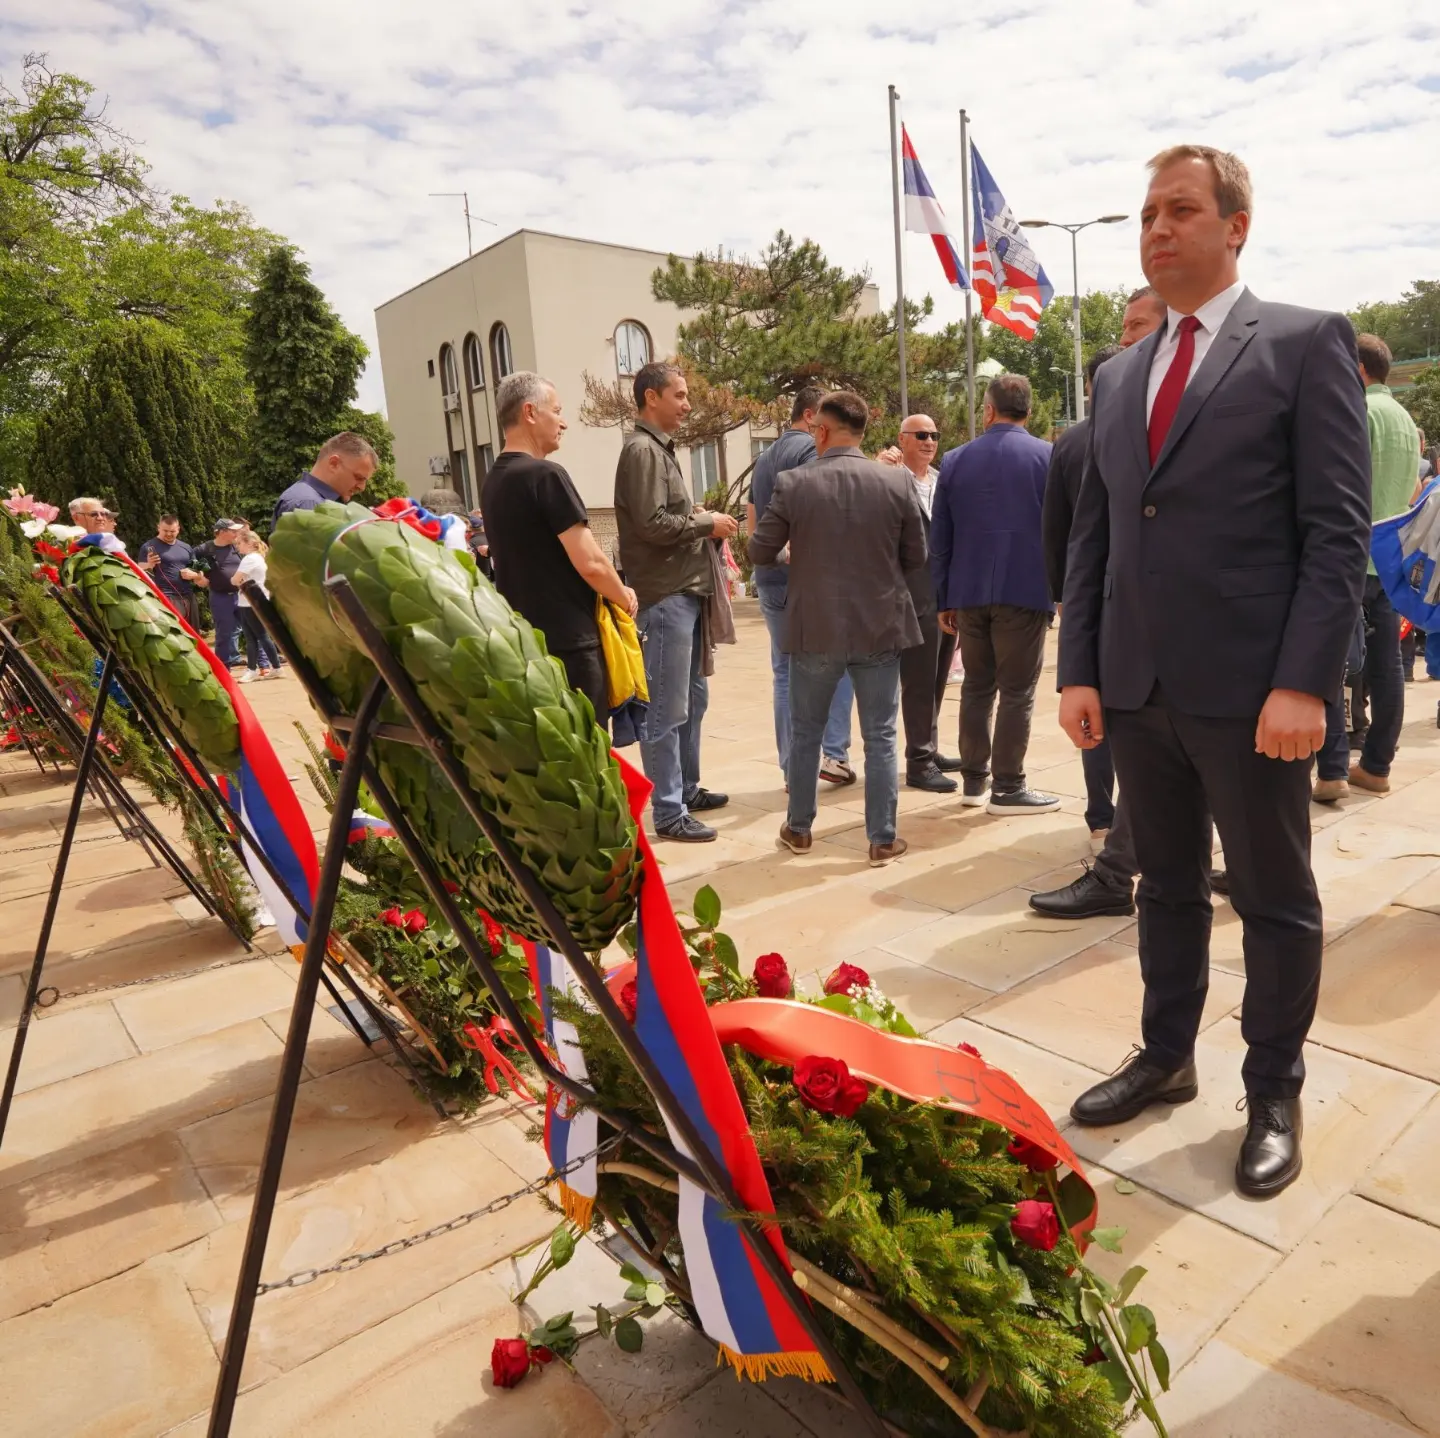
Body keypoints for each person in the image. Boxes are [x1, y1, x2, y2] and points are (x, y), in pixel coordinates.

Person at [1058, 144, 1371, 1198]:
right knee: (1165, 888)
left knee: (1276, 898)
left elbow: (1335, 536)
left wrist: (1304, 682)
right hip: (1138, 690)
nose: (1157, 229)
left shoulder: (1300, 343)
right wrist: (1081, 669)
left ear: (1236, 225)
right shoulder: (1118, 376)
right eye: (1147, 212)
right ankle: (1166, 1055)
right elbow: (1095, 536)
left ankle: (1272, 1090)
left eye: (1181, 209)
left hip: (1253, 697)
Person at [749, 391, 925, 866]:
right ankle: (882, 839)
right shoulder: (896, 483)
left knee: (806, 732)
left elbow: (759, 551)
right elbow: (917, 557)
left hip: (816, 627)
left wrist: (795, 555)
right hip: (879, 626)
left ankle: (800, 828)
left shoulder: (793, 483)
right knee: (882, 735)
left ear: (821, 431)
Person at [1032, 335, 1165, 921]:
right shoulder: (1114, 435)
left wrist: (1068, 602)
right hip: (1137, 609)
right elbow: (1076, 527)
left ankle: (1100, 815)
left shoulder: (1073, 441)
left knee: (1101, 723)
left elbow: (1058, 534)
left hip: (1105, 609)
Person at [614, 361, 738, 842]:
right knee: (666, 710)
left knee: (692, 700)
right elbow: (651, 525)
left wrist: (697, 515)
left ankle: (685, 789)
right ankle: (668, 812)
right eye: (680, 395)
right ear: (652, 398)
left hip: (681, 594)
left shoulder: (657, 450)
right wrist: (706, 524)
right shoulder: (643, 451)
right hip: (665, 597)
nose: (687, 405)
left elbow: (664, 516)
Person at [931, 375, 1060, 814]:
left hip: (967, 590)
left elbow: (940, 537)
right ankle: (1008, 786)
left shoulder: (954, 460)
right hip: (1025, 588)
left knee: (976, 687)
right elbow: (1062, 529)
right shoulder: (1048, 456)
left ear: (988, 410)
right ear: (1027, 410)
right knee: (1017, 691)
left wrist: (943, 597)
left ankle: (973, 782)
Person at [482, 372, 637, 725]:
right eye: (558, 410)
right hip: (570, 645)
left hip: (525, 643)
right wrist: (624, 595)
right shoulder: (546, 475)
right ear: (530, 412)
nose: (564, 422)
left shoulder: (493, 482)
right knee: (588, 753)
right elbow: (592, 562)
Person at [748, 387, 857, 789]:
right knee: (839, 665)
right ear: (811, 417)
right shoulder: (811, 452)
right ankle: (834, 754)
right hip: (808, 579)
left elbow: (753, 519)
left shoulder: (763, 459)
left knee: (784, 672)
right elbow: (825, 502)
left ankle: (793, 766)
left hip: (770, 577)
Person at [1347, 333, 1422, 796]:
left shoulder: (1361, 412)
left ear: (1357, 369)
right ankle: (1377, 764)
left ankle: (1332, 765)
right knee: (1387, 665)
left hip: (1352, 554)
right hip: (1390, 557)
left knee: (1334, 661)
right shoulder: (1403, 417)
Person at [879, 415, 961, 793]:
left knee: (939, 676)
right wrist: (878, 469)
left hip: (944, 595)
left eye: (934, 435)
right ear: (903, 440)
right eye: (922, 435)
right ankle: (918, 763)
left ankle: (928, 748)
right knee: (918, 681)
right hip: (910, 596)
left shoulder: (943, 481)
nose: (930, 441)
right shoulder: (891, 480)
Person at [272, 431, 378, 527]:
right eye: (359, 478)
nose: (362, 487)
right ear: (334, 464)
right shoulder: (308, 504)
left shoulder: (313, 501)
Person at [190, 519, 247, 667]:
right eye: (233, 531)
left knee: (252, 629)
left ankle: (262, 665)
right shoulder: (205, 549)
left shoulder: (236, 547)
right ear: (222, 532)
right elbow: (190, 561)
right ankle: (222, 667)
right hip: (220, 598)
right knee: (224, 634)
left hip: (242, 595)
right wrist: (199, 577)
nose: (236, 533)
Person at [233, 529, 282, 682]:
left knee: (256, 637)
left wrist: (237, 581)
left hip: (250, 602)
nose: (238, 547)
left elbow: (234, 580)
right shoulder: (259, 557)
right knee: (256, 637)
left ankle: (256, 669)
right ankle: (271, 667)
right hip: (252, 601)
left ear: (249, 543)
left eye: (240, 543)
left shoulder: (250, 559)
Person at [136, 514, 200, 627]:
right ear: (158, 528)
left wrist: (193, 574)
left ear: (178, 529)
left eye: (173, 531)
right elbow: (139, 568)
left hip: (188, 596)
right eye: (165, 530)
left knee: (193, 633)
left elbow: (197, 569)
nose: (169, 534)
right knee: (176, 631)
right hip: (166, 597)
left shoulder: (186, 547)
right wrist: (149, 564)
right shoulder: (149, 546)